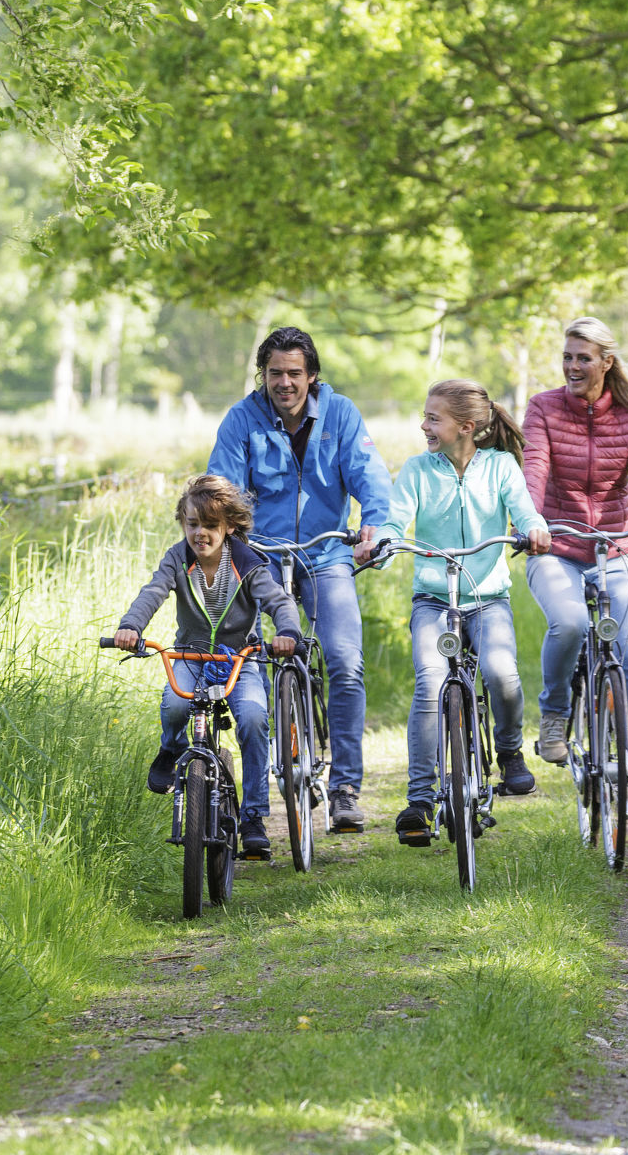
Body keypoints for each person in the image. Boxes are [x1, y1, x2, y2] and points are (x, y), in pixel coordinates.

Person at [208, 326, 391, 832]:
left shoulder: (341, 414)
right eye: (274, 374)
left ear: (312, 376)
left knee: (345, 660)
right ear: (262, 376)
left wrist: (375, 525)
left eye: (294, 373)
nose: (284, 383)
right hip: (258, 558)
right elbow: (221, 490)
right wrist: (228, 541)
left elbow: (370, 477)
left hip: (325, 553)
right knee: (241, 666)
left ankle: (346, 788)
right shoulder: (241, 420)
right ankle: (251, 803)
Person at [523, 317, 628, 819]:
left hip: (620, 548)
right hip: (556, 547)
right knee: (571, 622)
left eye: (583, 357)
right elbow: (535, 465)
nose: (573, 366)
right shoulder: (544, 408)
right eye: (568, 356)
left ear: (606, 362)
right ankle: (555, 712)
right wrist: (531, 522)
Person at [378, 380, 553, 843]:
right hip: (433, 598)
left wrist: (534, 530)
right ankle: (419, 799)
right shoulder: (418, 470)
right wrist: (381, 541)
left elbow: (525, 510)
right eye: (426, 416)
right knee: (431, 680)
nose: (424, 425)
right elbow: (396, 520)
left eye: (434, 419)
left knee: (500, 672)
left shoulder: (500, 468)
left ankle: (510, 751)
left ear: (466, 427)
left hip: (487, 598)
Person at [114, 474, 304, 861]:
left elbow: (278, 600)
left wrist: (287, 631)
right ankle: (172, 749)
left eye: (210, 526)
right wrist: (131, 626)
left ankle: (253, 816)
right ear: (183, 523)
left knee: (252, 718)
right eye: (192, 524)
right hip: (191, 655)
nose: (200, 533)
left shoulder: (248, 565)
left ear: (229, 527)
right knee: (175, 706)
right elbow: (152, 592)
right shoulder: (177, 559)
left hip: (241, 659)